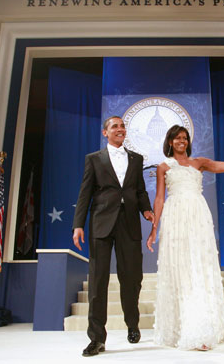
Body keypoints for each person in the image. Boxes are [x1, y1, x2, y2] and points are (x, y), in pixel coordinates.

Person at [146, 115, 224, 350]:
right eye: (177, 138)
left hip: (198, 217)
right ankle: (183, 328)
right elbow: (160, 198)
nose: (182, 141)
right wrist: (154, 228)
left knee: (199, 268)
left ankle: (202, 328)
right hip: (175, 217)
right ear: (170, 141)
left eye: (185, 137)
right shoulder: (163, 167)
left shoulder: (199, 162)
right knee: (180, 269)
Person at [72, 116, 154, 357]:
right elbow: (85, 193)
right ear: (105, 132)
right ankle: (97, 338)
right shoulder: (94, 159)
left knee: (132, 278)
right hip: (101, 224)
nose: (120, 129)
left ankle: (132, 324)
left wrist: (146, 209)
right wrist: (78, 224)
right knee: (98, 282)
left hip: (129, 223)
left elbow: (139, 189)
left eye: (122, 126)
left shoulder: (136, 159)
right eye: (114, 126)